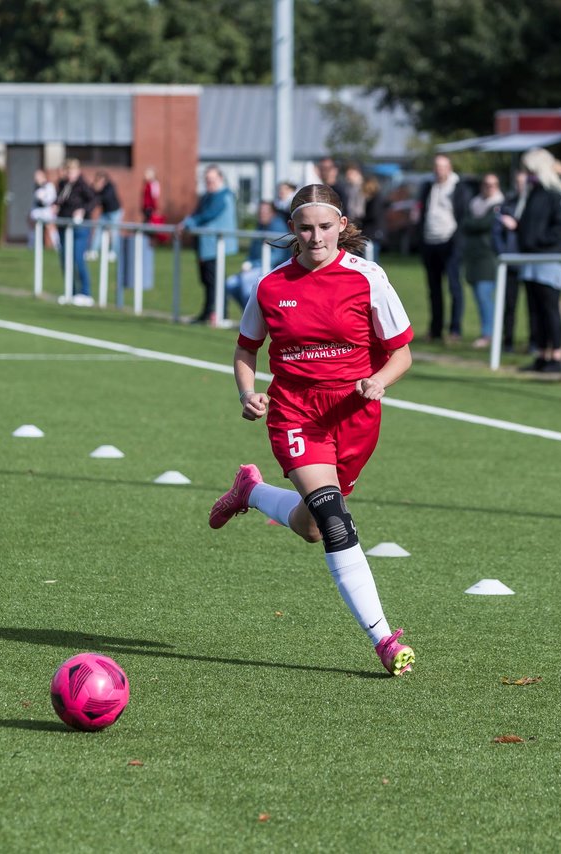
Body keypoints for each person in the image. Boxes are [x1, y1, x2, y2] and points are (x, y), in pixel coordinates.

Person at [208, 183, 416, 677]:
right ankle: (384, 638)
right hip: (296, 413)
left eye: (325, 227)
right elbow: (245, 349)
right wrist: (247, 393)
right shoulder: (272, 286)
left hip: (355, 416)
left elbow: (402, 352)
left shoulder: (369, 279)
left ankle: (252, 492)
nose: (316, 237)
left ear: (342, 226)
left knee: (311, 525)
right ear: (292, 231)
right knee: (335, 519)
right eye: (305, 228)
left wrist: (378, 381)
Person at [502, 148, 561, 373]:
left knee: (550, 306)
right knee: (534, 308)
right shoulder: (534, 193)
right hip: (531, 259)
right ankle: (542, 353)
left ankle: (557, 354)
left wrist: (537, 240)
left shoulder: (557, 194)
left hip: (549, 258)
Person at [417, 153, 473, 343]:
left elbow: (464, 216)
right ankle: (435, 329)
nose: (439, 170)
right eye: (436, 166)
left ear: (449, 168)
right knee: (433, 289)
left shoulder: (459, 188)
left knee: (454, 286)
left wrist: (457, 240)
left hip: (450, 241)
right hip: (429, 241)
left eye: (442, 166)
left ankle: (455, 329)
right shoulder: (428, 187)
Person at [179, 164, 238, 323]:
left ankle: (219, 314)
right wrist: (187, 221)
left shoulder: (224, 196)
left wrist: (188, 223)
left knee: (215, 281)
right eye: (207, 180)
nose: (209, 182)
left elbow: (208, 214)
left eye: (212, 179)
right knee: (207, 281)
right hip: (205, 246)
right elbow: (198, 213)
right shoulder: (206, 196)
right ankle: (209, 313)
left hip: (216, 246)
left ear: (220, 178)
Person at [460, 173, 506, 348]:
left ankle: (489, 334)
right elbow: (465, 223)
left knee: (484, 295)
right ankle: (488, 332)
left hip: (488, 258)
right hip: (473, 257)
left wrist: (473, 224)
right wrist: (473, 224)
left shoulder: (499, 204)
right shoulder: (475, 203)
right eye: (487, 184)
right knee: (479, 297)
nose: (490, 187)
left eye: (494, 184)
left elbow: (483, 224)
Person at [225, 199, 288, 310]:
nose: (261, 214)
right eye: (260, 212)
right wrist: (248, 263)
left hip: (275, 269)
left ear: (272, 213)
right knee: (231, 283)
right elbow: (253, 251)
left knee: (247, 282)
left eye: (265, 212)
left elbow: (277, 256)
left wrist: (253, 265)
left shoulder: (278, 226)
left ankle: (255, 320)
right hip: (257, 267)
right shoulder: (260, 225)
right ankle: (248, 316)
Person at [55, 158, 95, 299]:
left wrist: (82, 210)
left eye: (72, 171)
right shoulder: (62, 185)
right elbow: (59, 201)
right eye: (68, 171)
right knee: (66, 260)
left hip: (79, 227)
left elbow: (93, 200)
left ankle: (85, 293)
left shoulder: (82, 185)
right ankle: (70, 291)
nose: (70, 174)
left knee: (78, 259)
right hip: (64, 226)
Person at [500, 169, 529, 352]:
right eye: (518, 182)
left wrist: (518, 226)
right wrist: (502, 251)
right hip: (510, 260)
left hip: (528, 259)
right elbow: (497, 230)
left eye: (524, 182)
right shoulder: (508, 203)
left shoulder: (533, 203)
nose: (521, 186)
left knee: (533, 307)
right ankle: (507, 341)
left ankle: (534, 343)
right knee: (509, 304)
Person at [89, 171, 123, 259]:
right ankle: (94, 251)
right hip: (105, 213)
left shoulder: (110, 187)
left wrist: (98, 191)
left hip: (115, 212)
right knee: (98, 230)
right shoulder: (96, 187)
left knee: (114, 232)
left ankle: (114, 252)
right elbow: (91, 196)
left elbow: (105, 198)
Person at [29, 169, 60, 250]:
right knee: (34, 227)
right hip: (37, 210)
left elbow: (52, 198)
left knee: (50, 227)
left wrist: (43, 199)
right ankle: (32, 245)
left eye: (37, 176)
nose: (36, 178)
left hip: (46, 210)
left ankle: (57, 245)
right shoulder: (36, 186)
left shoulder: (49, 186)